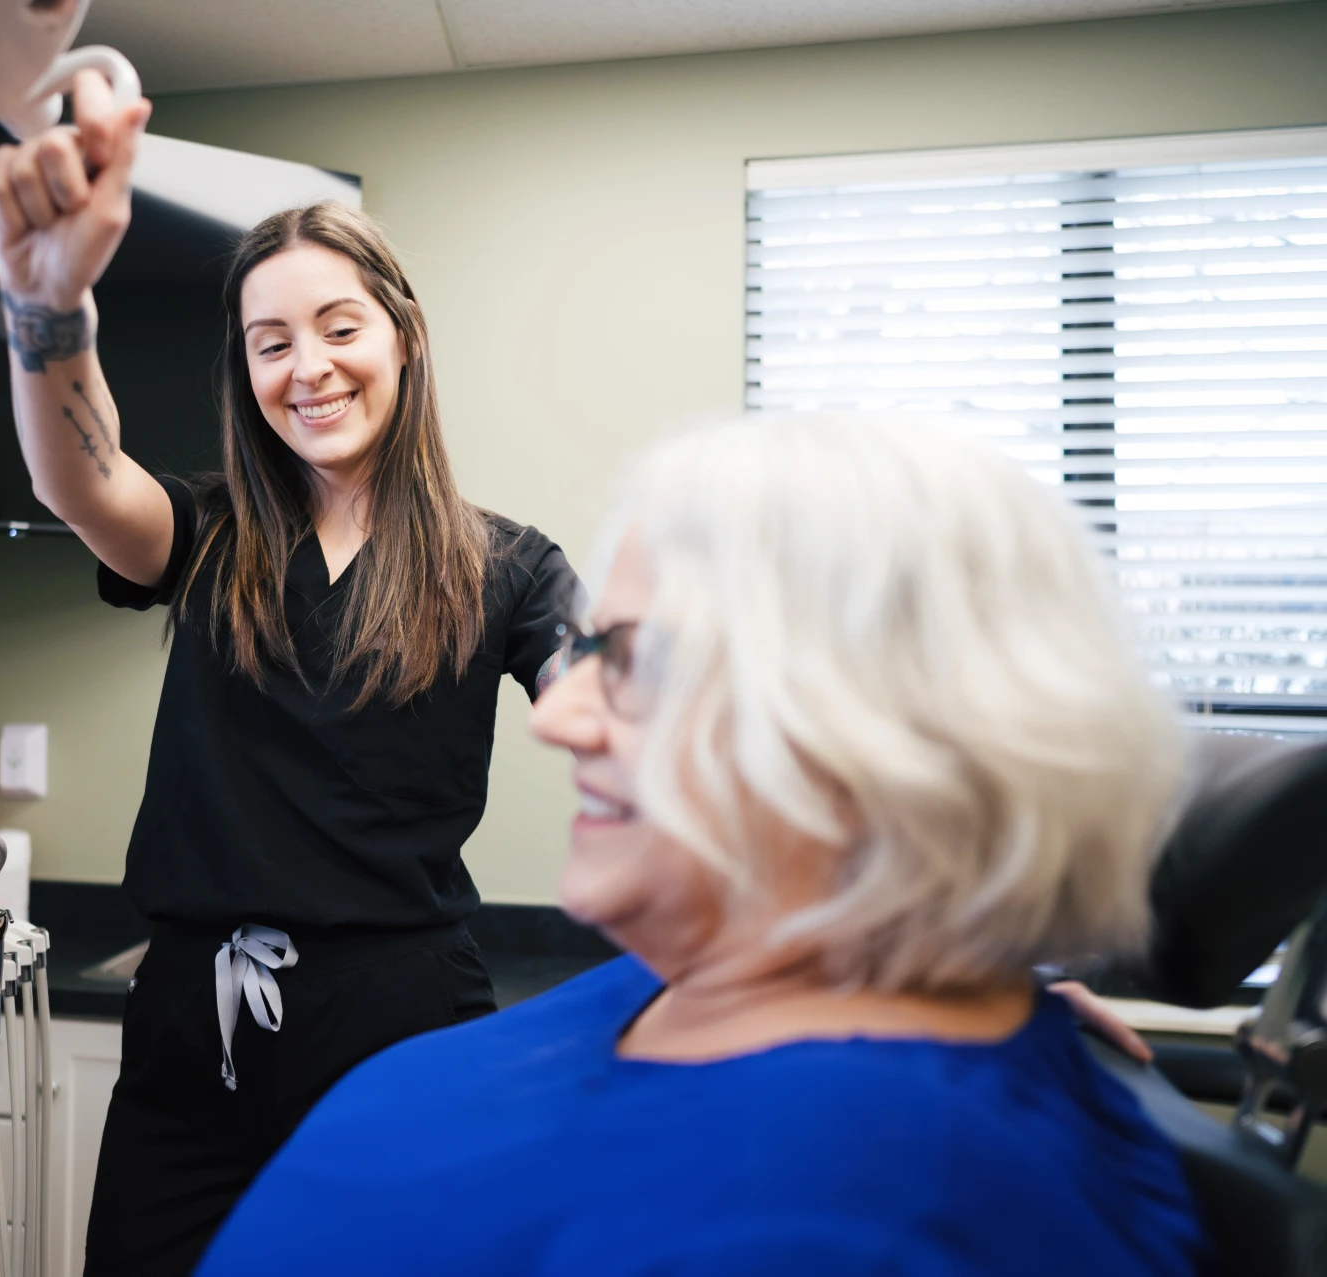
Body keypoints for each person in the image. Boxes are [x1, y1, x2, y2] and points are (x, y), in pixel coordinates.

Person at [197, 413, 1211, 1275]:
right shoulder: (736, 966)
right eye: (586, 647)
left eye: (630, 656)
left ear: (864, 728)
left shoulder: (847, 1207)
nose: (558, 718)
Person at [0, 77, 575, 1275]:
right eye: (272, 341)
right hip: (192, 1039)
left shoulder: (510, 565)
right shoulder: (205, 537)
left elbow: (623, 716)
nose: (309, 367)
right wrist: (51, 306)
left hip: (400, 1026)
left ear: (402, 332)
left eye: (340, 327)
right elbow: (79, 484)